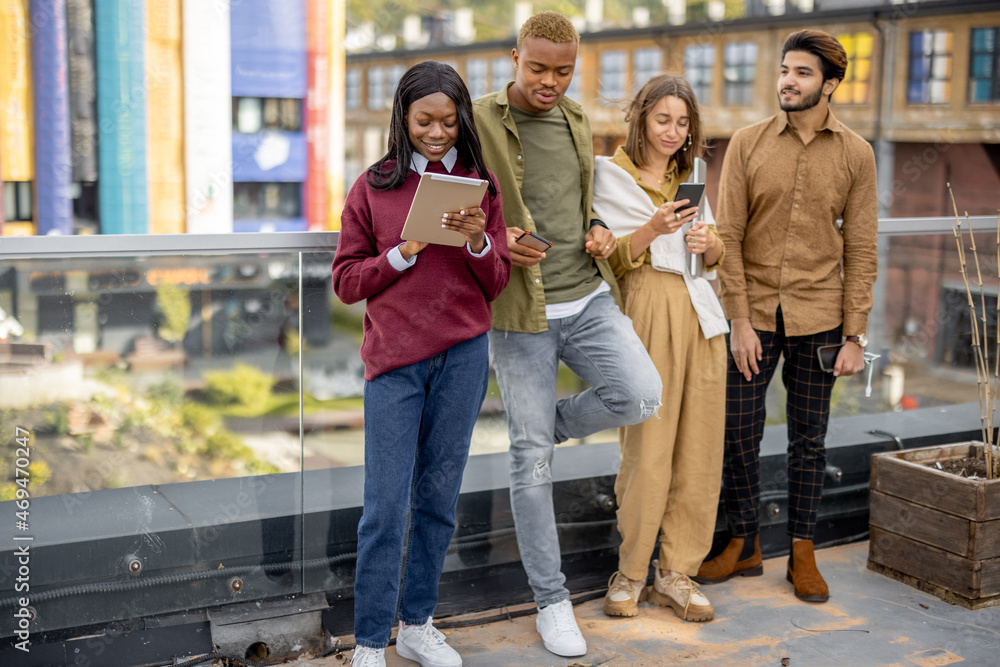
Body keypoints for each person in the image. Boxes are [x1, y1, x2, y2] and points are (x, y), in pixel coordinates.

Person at [472, 11, 663, 657]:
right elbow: (449, 207)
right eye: (537, 68)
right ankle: (552, 600)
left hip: (587, 297)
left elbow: (581, 203)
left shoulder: (576, 119)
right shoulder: (476, 119)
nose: (550, 82)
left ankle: (539, 427)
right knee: (531, 466)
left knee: (640, 396)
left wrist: (600, 230)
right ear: (515, 56)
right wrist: (493, 240)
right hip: (520, 315)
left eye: (563, 70)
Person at [332, 61, 511, 667]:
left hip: (463, 356)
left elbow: (497, 281)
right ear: (402, 119)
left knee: (438, 500)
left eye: (448, 119)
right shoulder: (372, 188)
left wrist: (478, 243)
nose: (437, 132)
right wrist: (403, 253)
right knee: (384, 507)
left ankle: (417, 623)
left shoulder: (481, 186)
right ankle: (367, 641)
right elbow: (346, 281)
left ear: (464, 117)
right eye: (423, 121)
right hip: (394, 364)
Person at [695, 29, 878, 603]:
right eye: (784, 70)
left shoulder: (857, 154)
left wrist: (855, 334)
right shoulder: (748, 144)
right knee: (738, 434)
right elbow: (728, 235)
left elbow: (863, 249)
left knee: (810, 440)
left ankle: (802, 549)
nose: (787, 81)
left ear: (830, 84)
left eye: (801, 73)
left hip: (820, 317)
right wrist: (740, 321)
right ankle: (744, 542)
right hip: (754, 318)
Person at [593, 74, 727, 622]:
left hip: (700, 314)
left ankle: (676, 574)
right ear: (641, 118)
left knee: (698, 451)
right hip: (646, 309)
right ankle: (629, 571)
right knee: (647, 448)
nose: (673, 131)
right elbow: (610, 257)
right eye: (662, 119)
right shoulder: (608, 176)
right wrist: (653, 227)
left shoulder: (690, 178)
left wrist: (708, 243)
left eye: (682, 121)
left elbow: (713, 255)